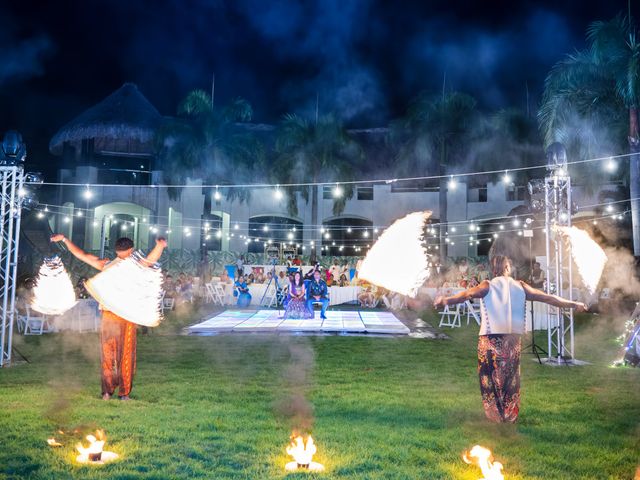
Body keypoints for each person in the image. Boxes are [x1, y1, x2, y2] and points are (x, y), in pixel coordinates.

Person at [434, 255, 587, 423]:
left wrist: (445, 300)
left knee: (490, 377)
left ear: (494, 269)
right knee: (510, 377)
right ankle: (509, 414)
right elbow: (548, 298)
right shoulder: (521, 286)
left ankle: (495, 415)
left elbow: (466, 295)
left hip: (490, 339)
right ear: (508, 268)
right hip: (512, 339)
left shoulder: (487, 285)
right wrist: (574, 304)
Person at [50, 234, 167, 401]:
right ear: (131, 250)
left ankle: (107, 392)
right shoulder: (135, 265)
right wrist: (160, 246)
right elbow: (150, 260)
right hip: (124, 315)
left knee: (108, 354)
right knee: (125, 354)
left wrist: (65, 240)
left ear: (116, 250)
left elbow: (82, 255)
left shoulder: (106, 264)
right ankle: (123, 394)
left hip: (111, 314)